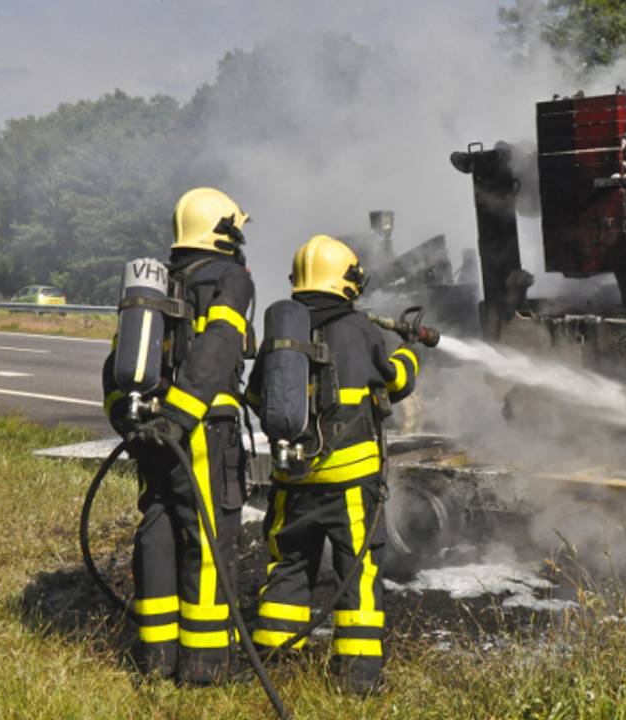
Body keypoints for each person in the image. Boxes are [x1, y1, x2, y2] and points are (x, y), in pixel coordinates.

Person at [246, 234, 421, 695]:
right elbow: (397, 381)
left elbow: (255, 396)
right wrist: (409, 352)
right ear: (345, 280)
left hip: (292, 480)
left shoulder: (281, 332)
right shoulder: (361, 329)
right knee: (356, 573)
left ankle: (276, 661)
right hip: (349, 485)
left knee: (288, 564)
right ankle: (358, 677)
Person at [101, 187, 255, 684]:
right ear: (224, 230)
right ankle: (205, 670)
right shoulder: (229, 277)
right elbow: (219, 347)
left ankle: (157, 659)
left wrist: (136, 424)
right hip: (201, 432)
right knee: (208, 543)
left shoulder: (157, 282)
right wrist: (180, 420)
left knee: (158, 533)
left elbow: (117, 364)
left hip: (152, 432)